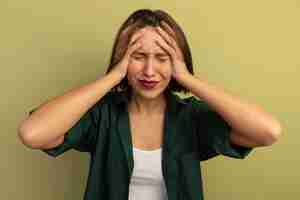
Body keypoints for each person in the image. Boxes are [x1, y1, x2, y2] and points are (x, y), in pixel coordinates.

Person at [18, 9, 282, 200]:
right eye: (138, 56)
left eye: (162, 58)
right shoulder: (103, 114)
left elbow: (268, 131)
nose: (149, 70)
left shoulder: (191, 118)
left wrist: (188, 79)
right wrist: (112, 77)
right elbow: (33, 133)